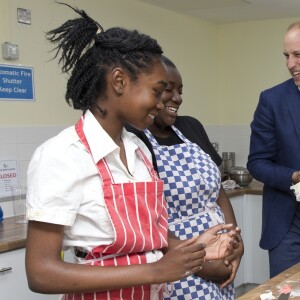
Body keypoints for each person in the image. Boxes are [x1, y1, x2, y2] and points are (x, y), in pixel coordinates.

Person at [25, 3, 240, 300]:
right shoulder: (62, 155)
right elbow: (40, 272)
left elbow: (151, 237)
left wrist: (199, 249)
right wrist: (155, 271)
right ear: (119, 81)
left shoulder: (137, 148)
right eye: (157, 90)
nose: (162, 103)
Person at [126, 56, 244, 300]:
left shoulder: (191, 127)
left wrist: (235, 242)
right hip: (179, 260)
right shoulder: (134, 138)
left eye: (180, 91)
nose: (177, 98)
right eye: (167, 90)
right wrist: (200, 264)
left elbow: (218, 192)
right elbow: (144, 220)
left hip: (221, 253)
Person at [247, 21, 300, 278]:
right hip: (289, 224)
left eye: (298, 55)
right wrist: (294, 176)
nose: (290, 64)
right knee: (286, 293)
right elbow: (257, 163)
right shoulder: (271, 100)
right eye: (286, 56)